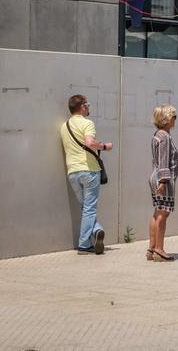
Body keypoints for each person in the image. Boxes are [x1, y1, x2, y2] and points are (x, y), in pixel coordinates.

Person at [60, 94, 110, 255]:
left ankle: (97, 230)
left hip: (72, 172)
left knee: (85, 207)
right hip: (89, 171)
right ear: (82, 106)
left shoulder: (64, 126)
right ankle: (83, 245)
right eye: (87, 104)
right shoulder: (87, 123)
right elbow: (89, 142)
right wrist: (104, 146)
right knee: (89, 208)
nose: (89, 107)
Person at [147, 104, 178, 262]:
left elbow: (165, 158)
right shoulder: (165, 137)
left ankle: (152, 248)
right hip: (163, 178)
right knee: (163, 214)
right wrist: (164, 181)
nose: (175, 119)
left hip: (156, 176)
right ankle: (159, 249)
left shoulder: (158, 135)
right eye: (174, 116)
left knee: (157, 213)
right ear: (167, 119)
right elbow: (163, 161)